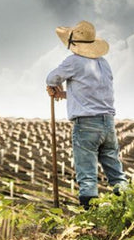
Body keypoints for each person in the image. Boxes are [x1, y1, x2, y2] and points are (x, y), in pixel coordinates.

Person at [45, 20, 128, 210]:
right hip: (108, 123)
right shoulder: (103, 63)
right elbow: (92, 92)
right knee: (116, 173)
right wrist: (64, 94)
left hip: (86, 125)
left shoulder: (74, 61)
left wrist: (54, 87)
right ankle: (128, 210)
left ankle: (90, 219)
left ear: (73, 44)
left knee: (87, 176)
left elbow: (51, 78)